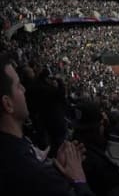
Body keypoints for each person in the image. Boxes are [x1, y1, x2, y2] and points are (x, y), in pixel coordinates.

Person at [0, 52, 93, 196]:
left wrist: (56, 168)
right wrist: (79, 179)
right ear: (8, 104)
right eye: (18, 86)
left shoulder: (12, 147)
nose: (24, 89)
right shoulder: (31, 172)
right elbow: (36, 179)